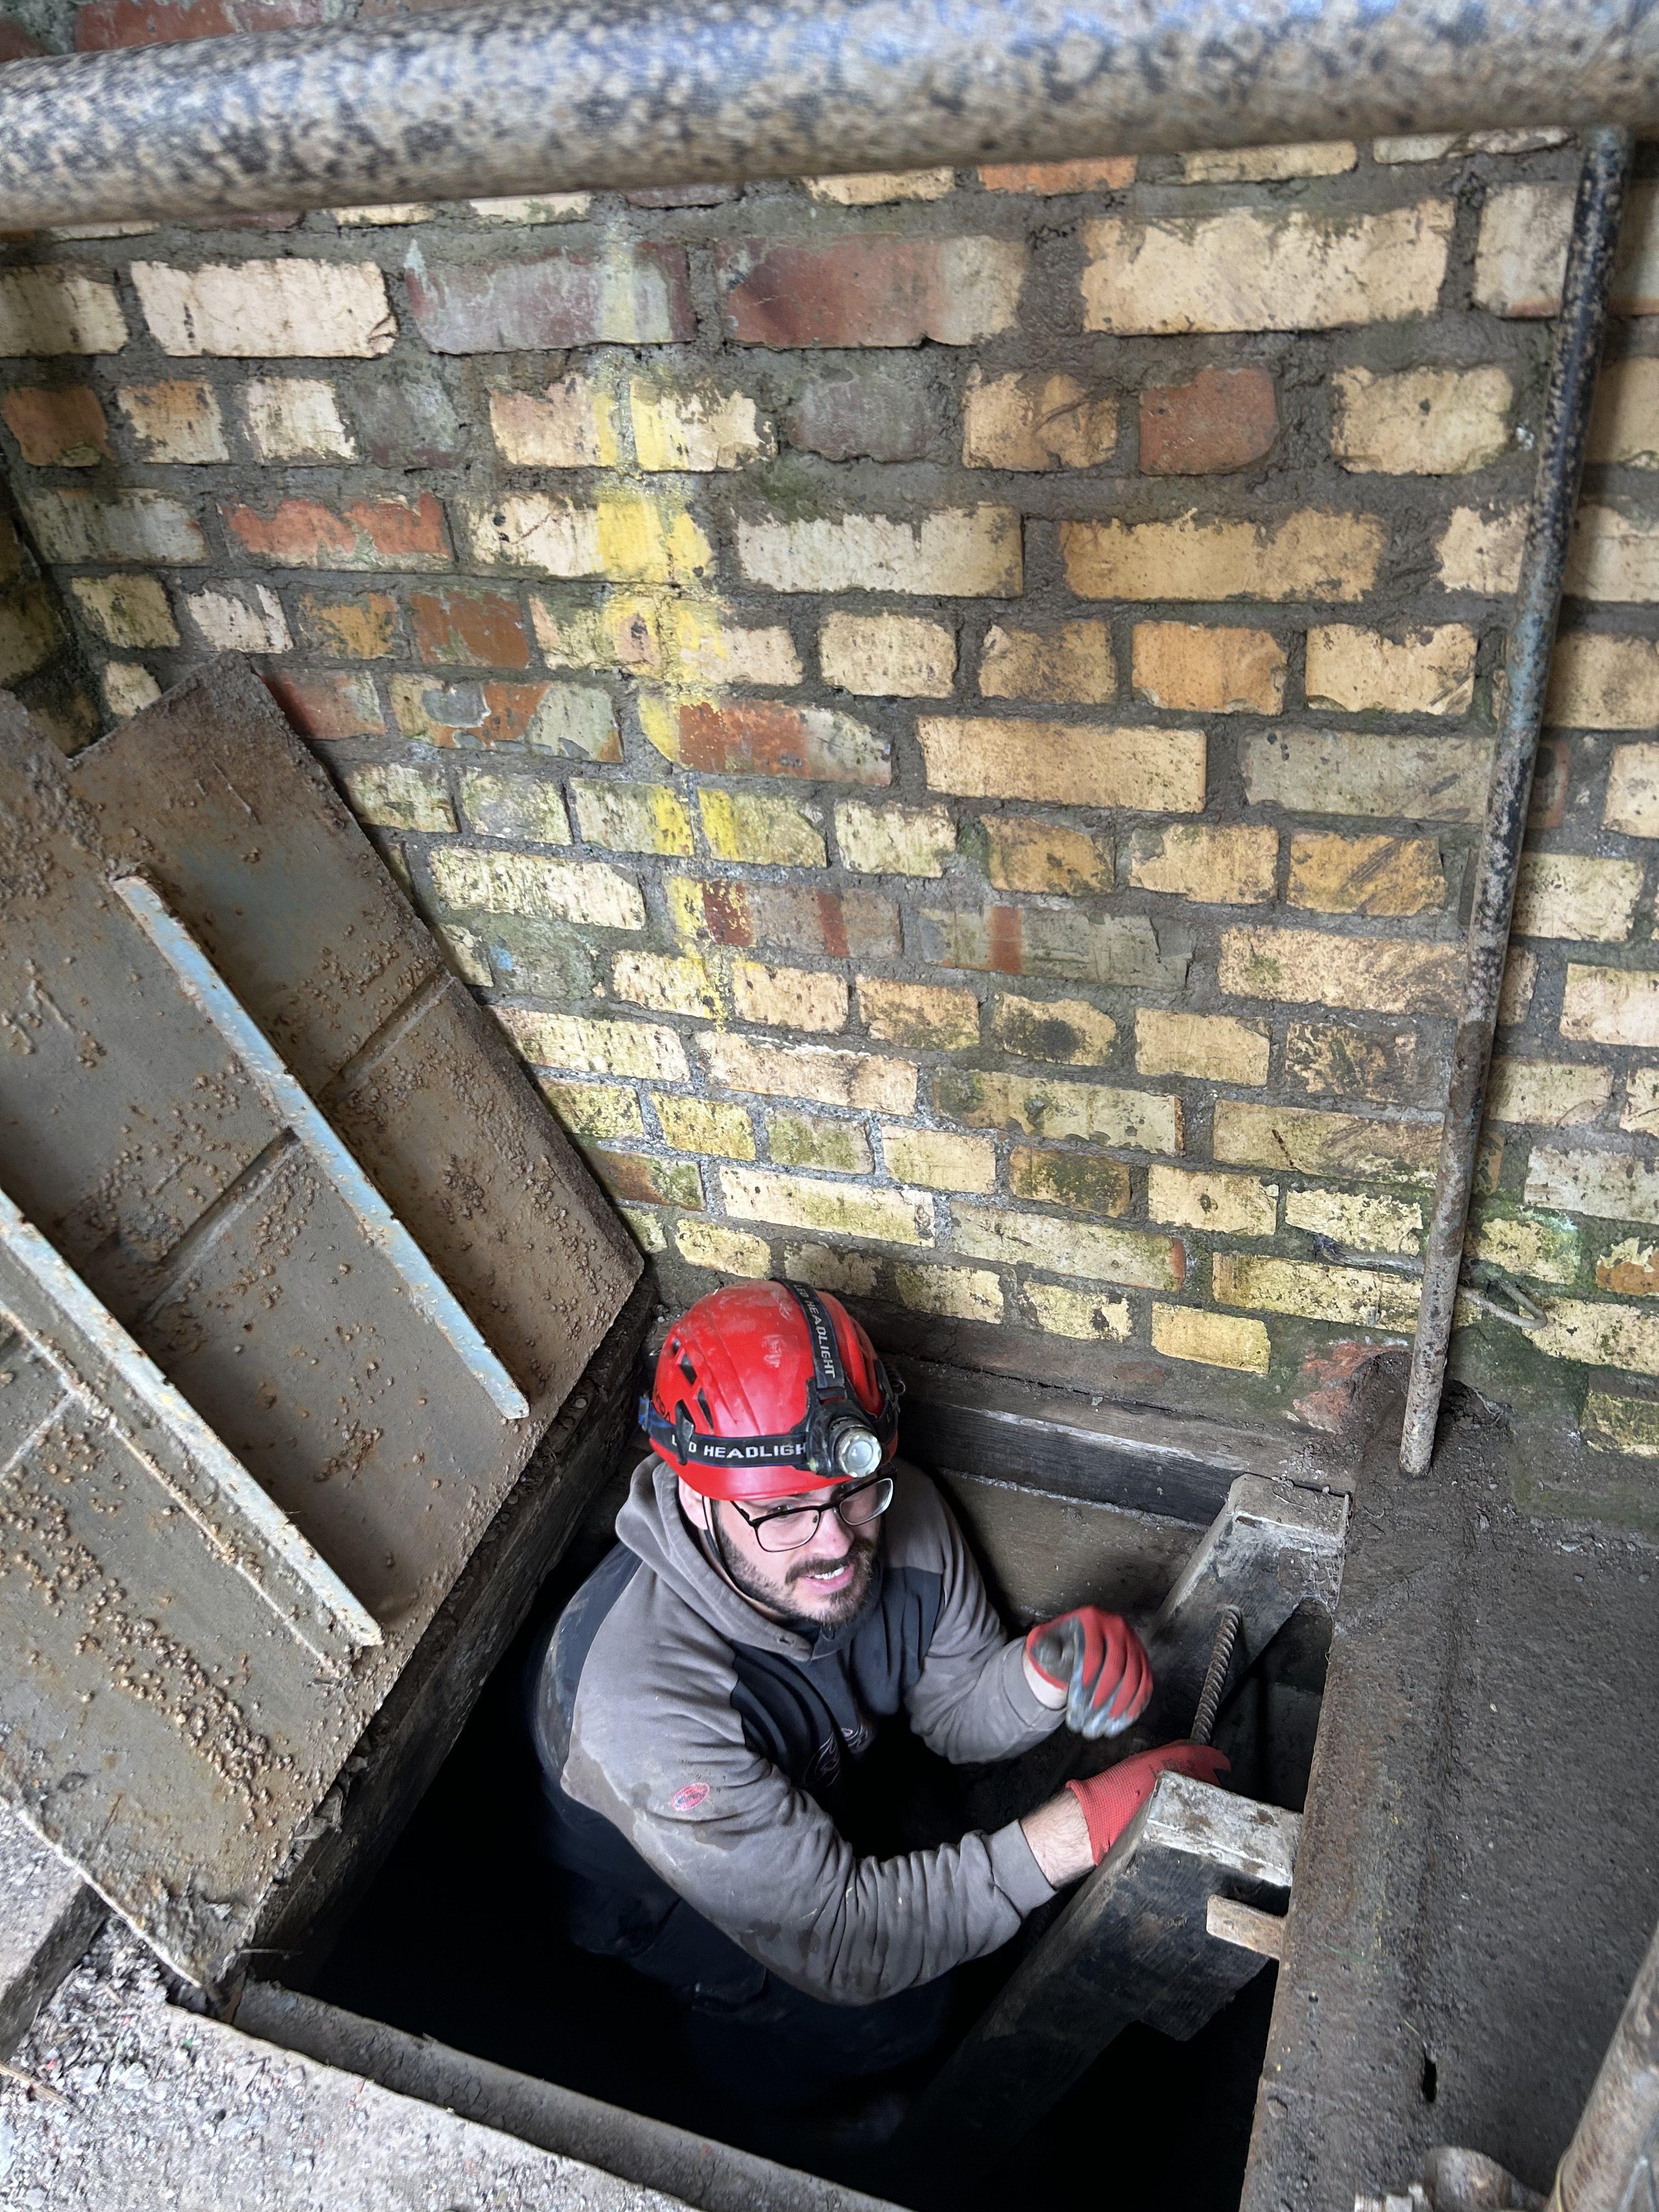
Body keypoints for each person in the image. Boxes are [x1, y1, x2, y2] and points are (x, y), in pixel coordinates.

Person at [528, 1278, 1227, 2097]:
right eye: (784, 1512)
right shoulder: (640, 1704)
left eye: (853, 1494)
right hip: (672, 1895)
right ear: (695, 1495)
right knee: (894, 2017)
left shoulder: (905, 1517)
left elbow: (956, 1715)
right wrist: (1083, 1829)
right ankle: (768, 2097)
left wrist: (1044, 1670)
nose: (834, 1544)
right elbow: (841, 1942)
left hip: (824, 1801)